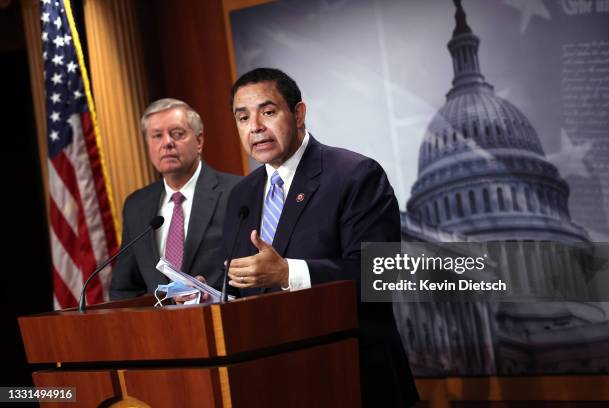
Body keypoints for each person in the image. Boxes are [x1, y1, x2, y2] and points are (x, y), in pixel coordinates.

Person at [223, 68, 419, 407]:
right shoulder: (241, 196)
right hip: (272, 383)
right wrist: (207, 293)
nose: (255, 126)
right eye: (243, 117)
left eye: (267, 112)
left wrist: (288, 274)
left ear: (298, 114)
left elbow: (379, 276)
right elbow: (240, 285)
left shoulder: (355, 176)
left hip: (354, 380)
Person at [110, 98, 240, 300]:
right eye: (156, 136)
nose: (167, 143)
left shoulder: (236, 192)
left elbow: (253, 276)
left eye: (177, 134)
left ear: (199, 141)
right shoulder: (136, 205)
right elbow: (124, 289)